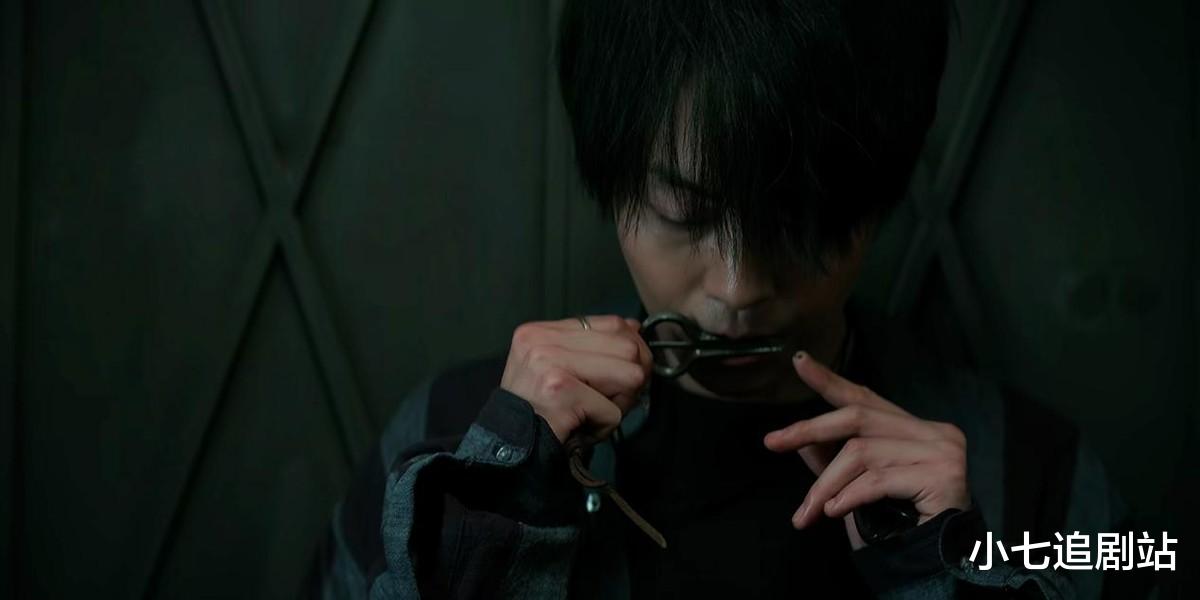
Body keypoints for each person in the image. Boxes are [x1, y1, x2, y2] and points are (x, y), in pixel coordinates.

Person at [309, 0, 1144, 597]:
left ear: (877, 199)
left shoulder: (1043, 475)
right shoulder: (446, 449)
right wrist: (492, 528)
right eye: (684, 211)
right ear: (612, 177)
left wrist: (956, 569)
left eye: (797, 221)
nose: (739, 289)